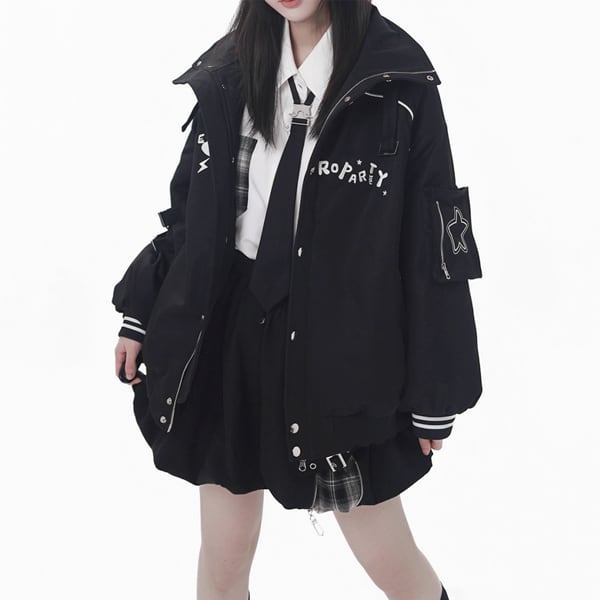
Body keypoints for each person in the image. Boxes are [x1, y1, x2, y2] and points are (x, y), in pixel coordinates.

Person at [112, 1, 483, 599]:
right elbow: (192, 214)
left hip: (340, 343)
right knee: (224, 553)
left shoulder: (397, 82)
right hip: (231, 331)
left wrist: (436, 390)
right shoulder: (231, 68)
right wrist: (141, 310)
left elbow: (434, 248)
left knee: (388, 555)